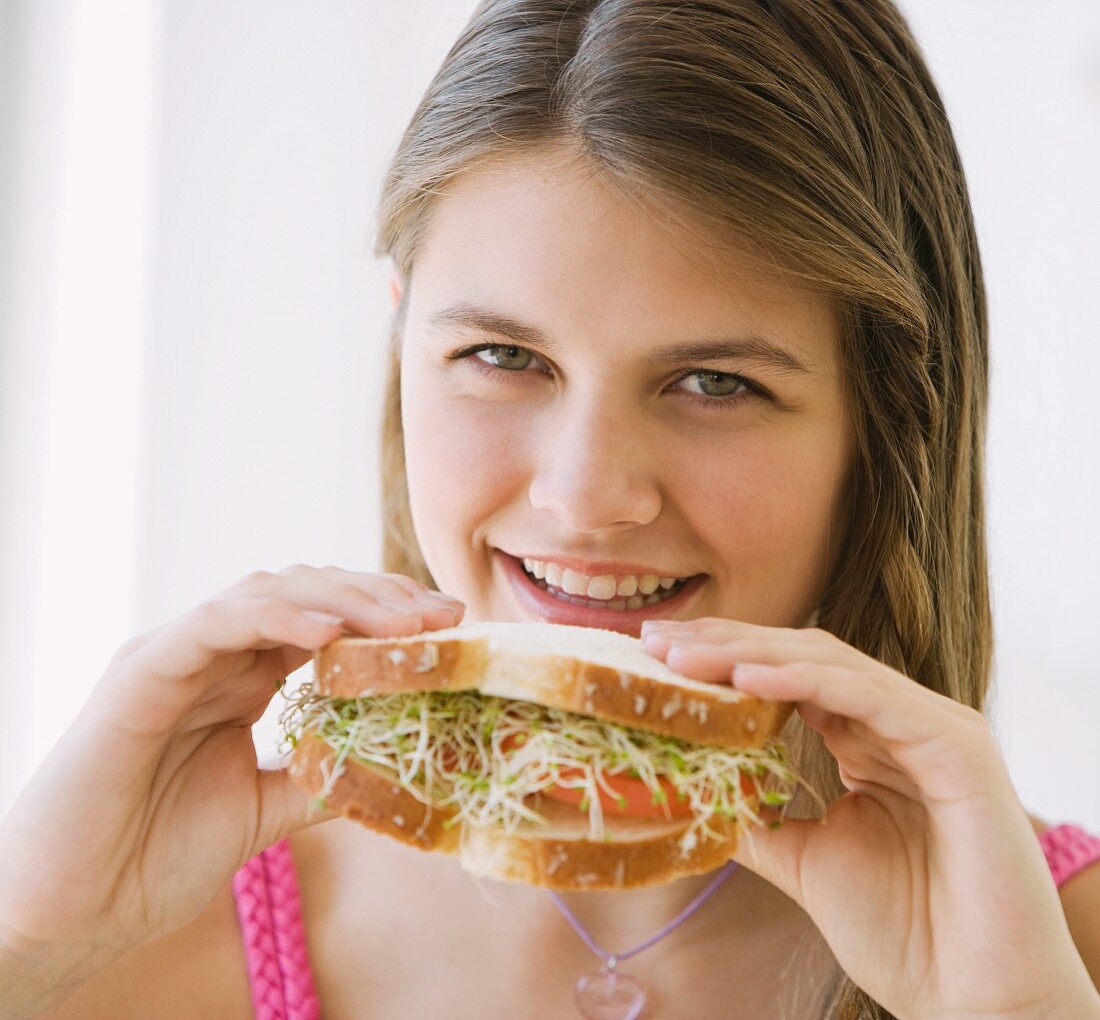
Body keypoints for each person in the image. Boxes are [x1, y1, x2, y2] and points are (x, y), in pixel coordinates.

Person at [2, 1, 1098, 1017]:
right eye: (501, 355)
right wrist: (29, 942)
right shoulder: (134, 933)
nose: (584, 498)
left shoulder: (1054, 959)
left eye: (714, 383)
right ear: (399, 341)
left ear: (888, 422)